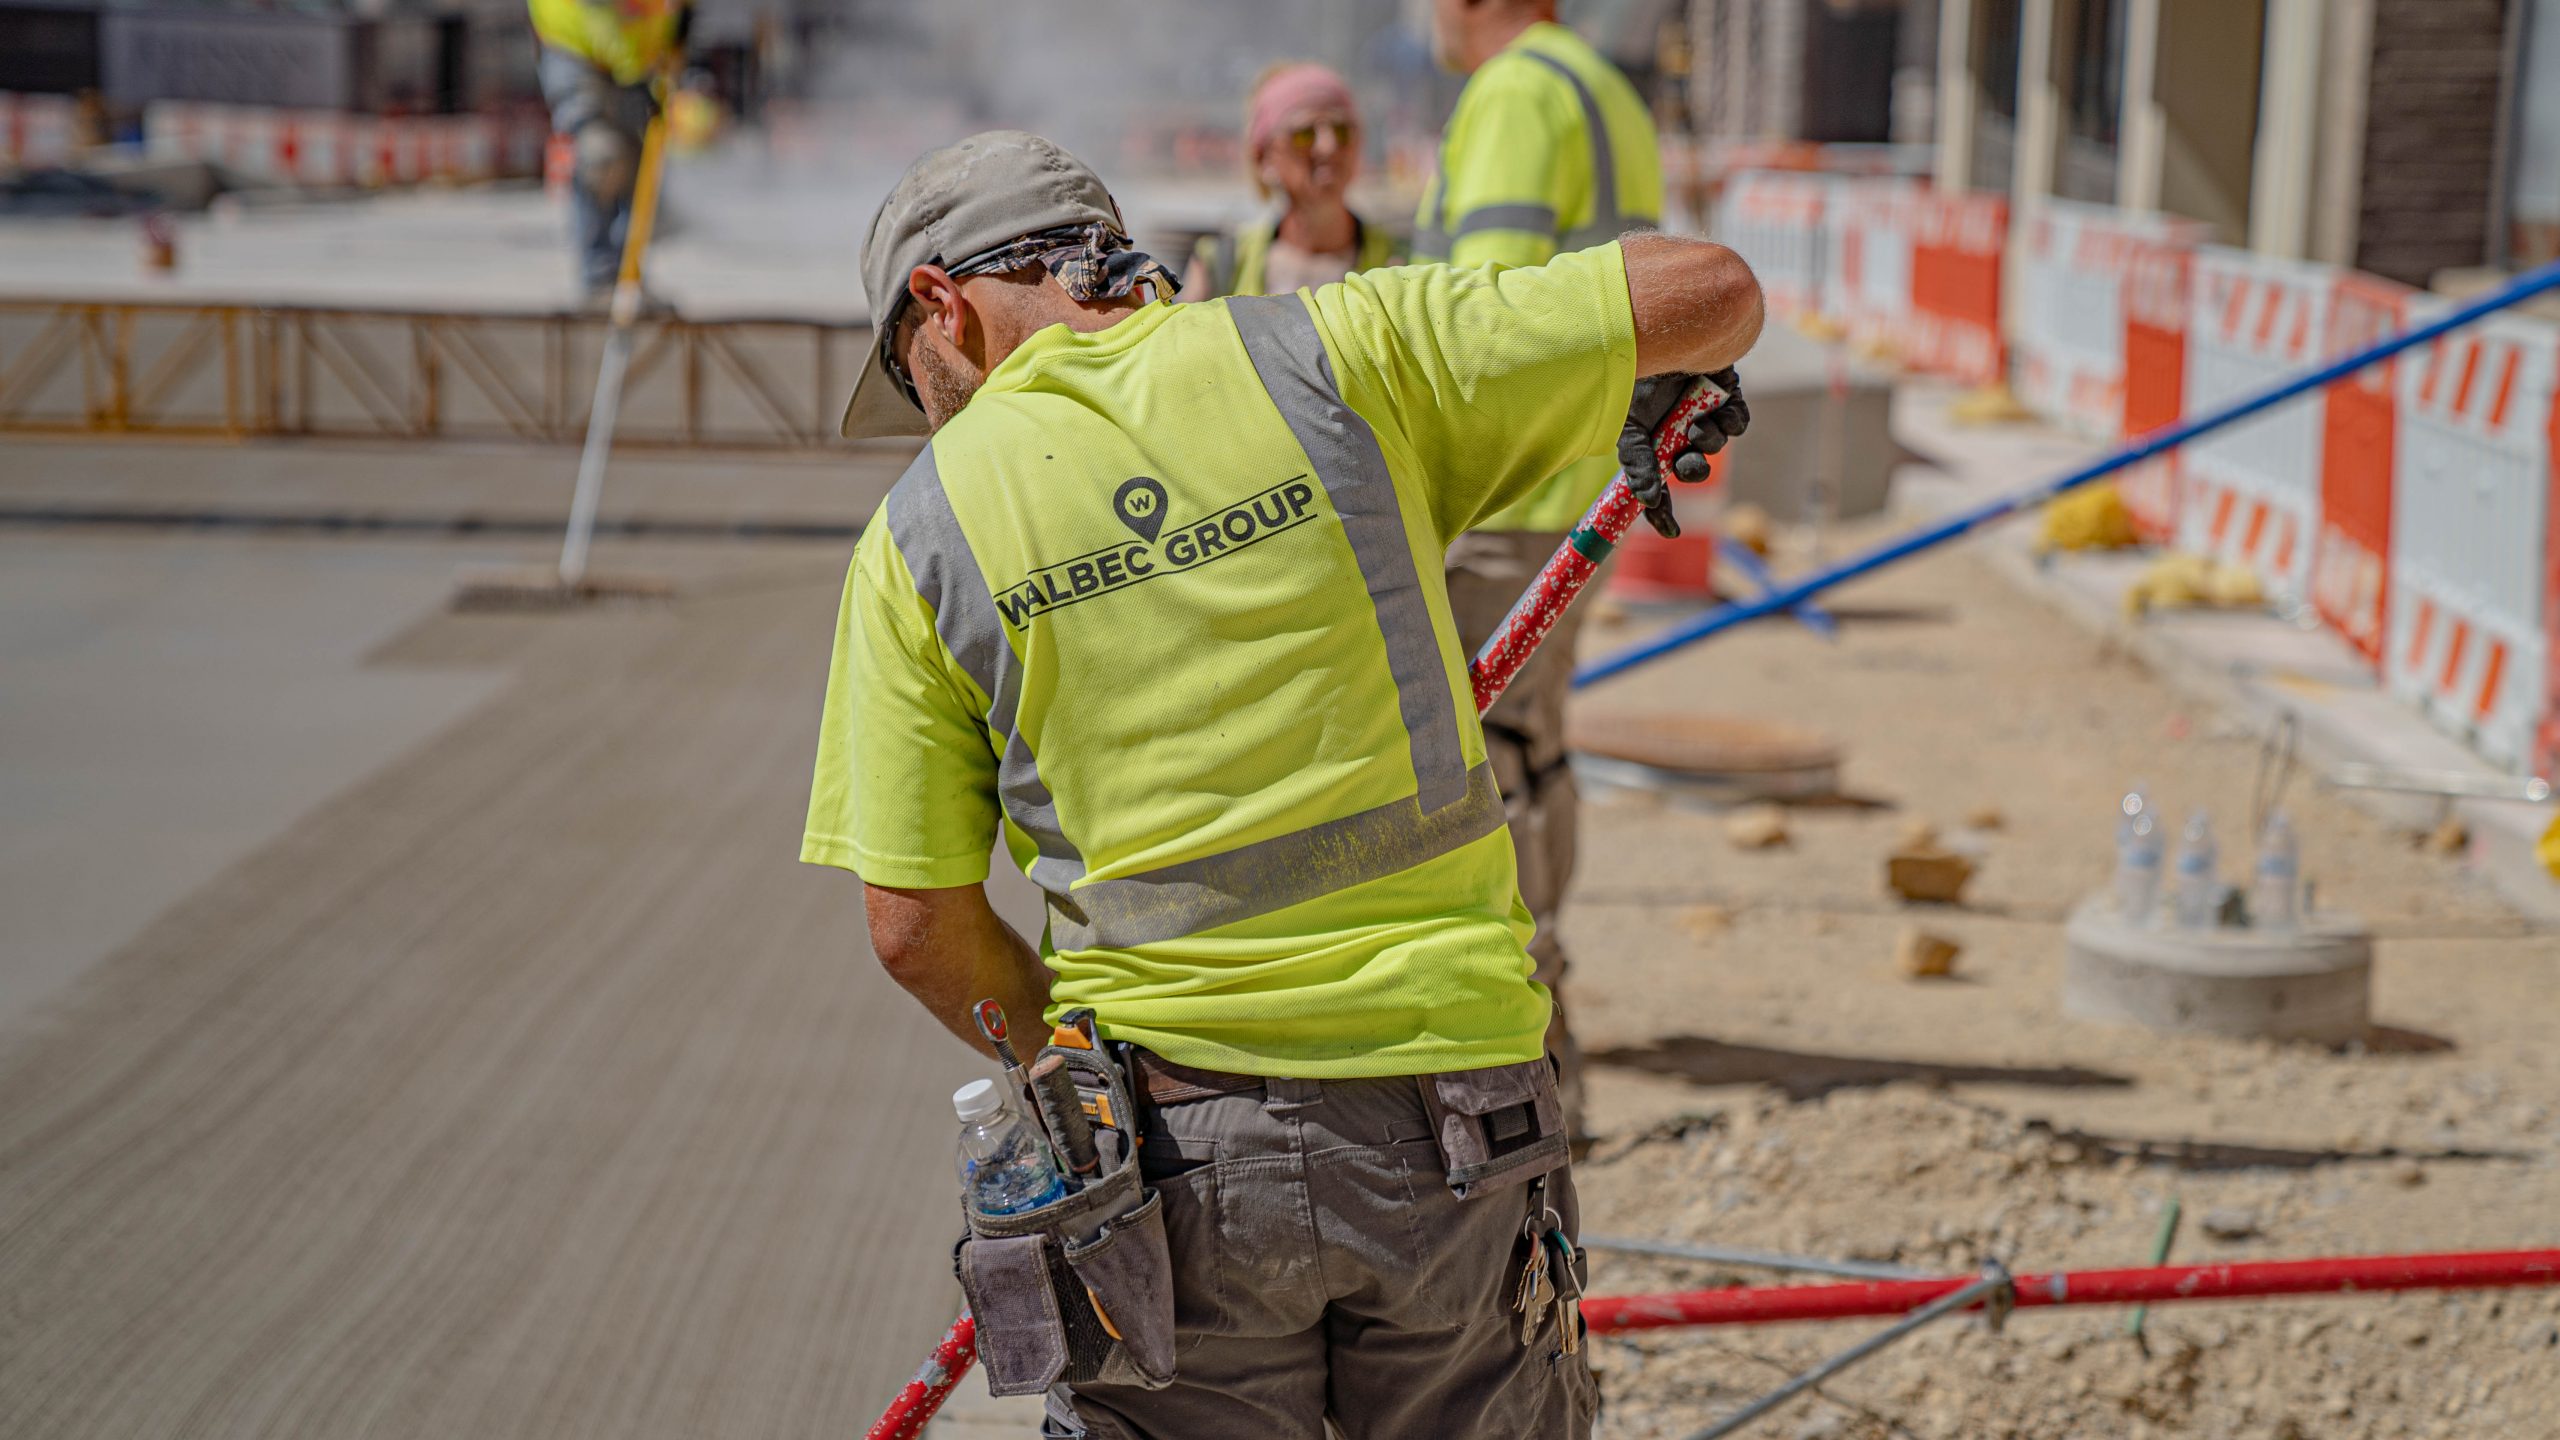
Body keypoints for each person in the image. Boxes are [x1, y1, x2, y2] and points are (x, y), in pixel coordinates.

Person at [804, 131, 1760, 1439]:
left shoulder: (917, 535)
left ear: (939, 301)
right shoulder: (1339, 350)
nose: (925, 411)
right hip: (1454, 1119)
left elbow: (915, 926)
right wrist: (1648, 376)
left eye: (912, 379)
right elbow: (1710, 288)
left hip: (1171, 1158)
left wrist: (1062, 1064)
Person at [1417, 0, 1734, 1141]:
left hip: (1508, 491)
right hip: (1580, 485)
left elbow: (1475, 325)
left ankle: (1519, 1050)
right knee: (1530, 744)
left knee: (1475, 761)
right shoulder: (1605, 89)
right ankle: (1541, 1037)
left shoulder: (1513, 92)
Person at [1184, 62, 1401, 299]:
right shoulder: (1222, 265)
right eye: (1304, 134)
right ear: (1263, 157)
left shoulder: (1398, 263)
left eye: (1342, 131)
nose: (1328, 147)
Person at [528, 0, 688, 300]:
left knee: (639, 173)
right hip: (574, 47)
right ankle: (599, 275)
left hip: (636, 62)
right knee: (601, 157)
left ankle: (627, 278)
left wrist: (679, 30)